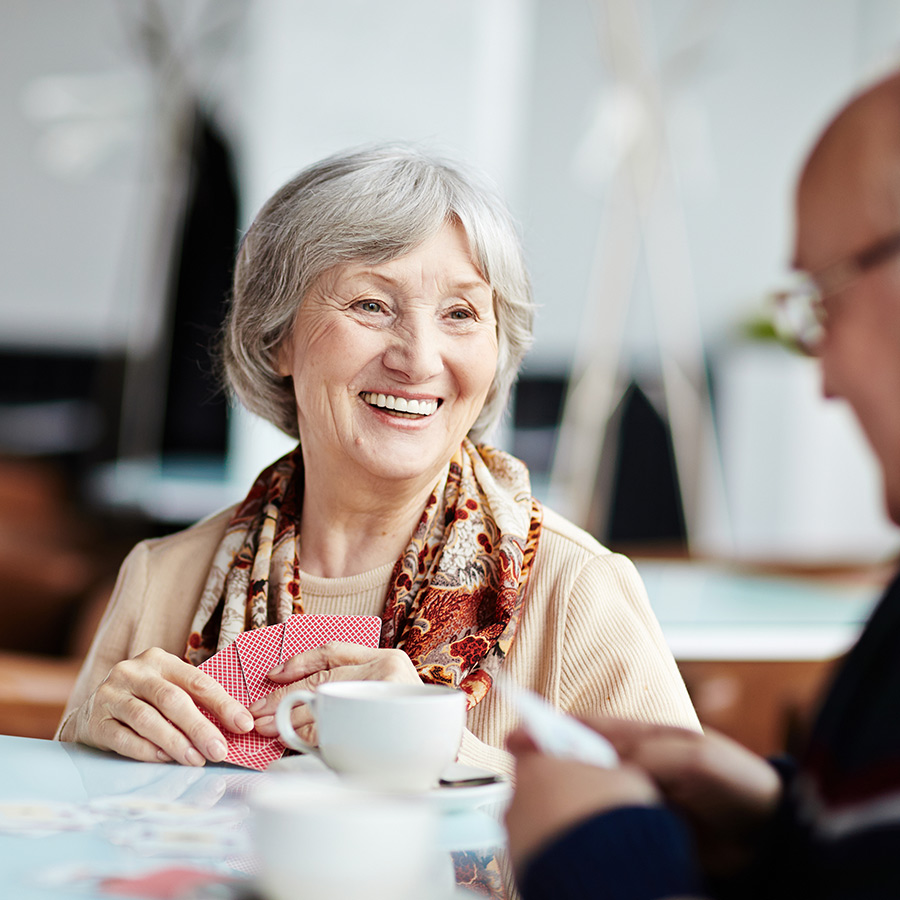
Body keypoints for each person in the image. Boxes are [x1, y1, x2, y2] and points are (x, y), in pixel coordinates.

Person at [56, 143, 698, 773]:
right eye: (371, 305)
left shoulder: (576, 588)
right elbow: (78, 853)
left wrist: (448, 753)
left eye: (460, 312)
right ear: (277, 337)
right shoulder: (160, 579)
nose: (418, 358)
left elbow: (687, 848)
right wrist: (85, 747)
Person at [505, 70, 900, 899]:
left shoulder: (580, 581)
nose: (821, 376)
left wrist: (602, 853)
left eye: (824, 300)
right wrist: (777, 815)